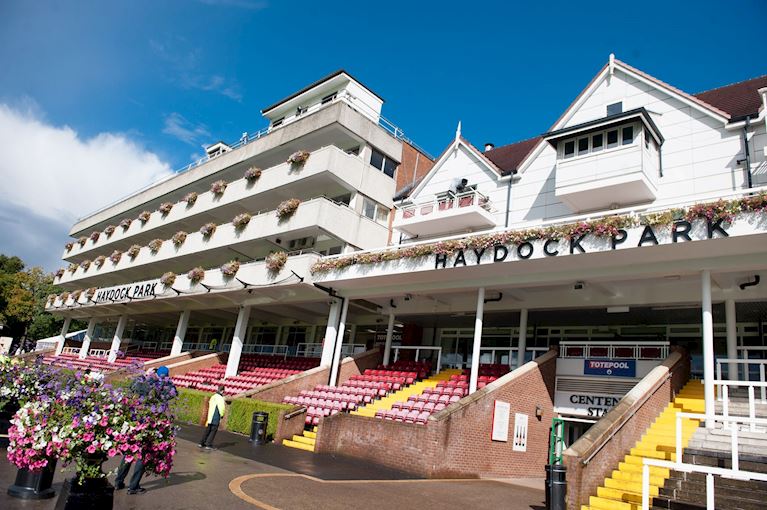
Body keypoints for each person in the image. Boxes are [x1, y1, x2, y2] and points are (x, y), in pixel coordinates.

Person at [115, 366, 174, 494]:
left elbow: (133, 387)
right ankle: (133, 486)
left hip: (137, 421)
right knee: (143, 455)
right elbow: (172, 394)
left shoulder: (147, 382)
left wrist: (145, 376)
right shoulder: (166, 386)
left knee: (129, 453)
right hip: (152, 424)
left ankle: (118, 482)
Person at [199, 385, 226, 450]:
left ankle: (202, 443)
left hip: (210, 416)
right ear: (222, 391)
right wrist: (222, 415)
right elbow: (221, 408)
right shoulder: (220, 398)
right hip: (216, 416)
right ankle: (208, 444)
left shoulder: (213, 396)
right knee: (213, 431)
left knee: (208, 430)